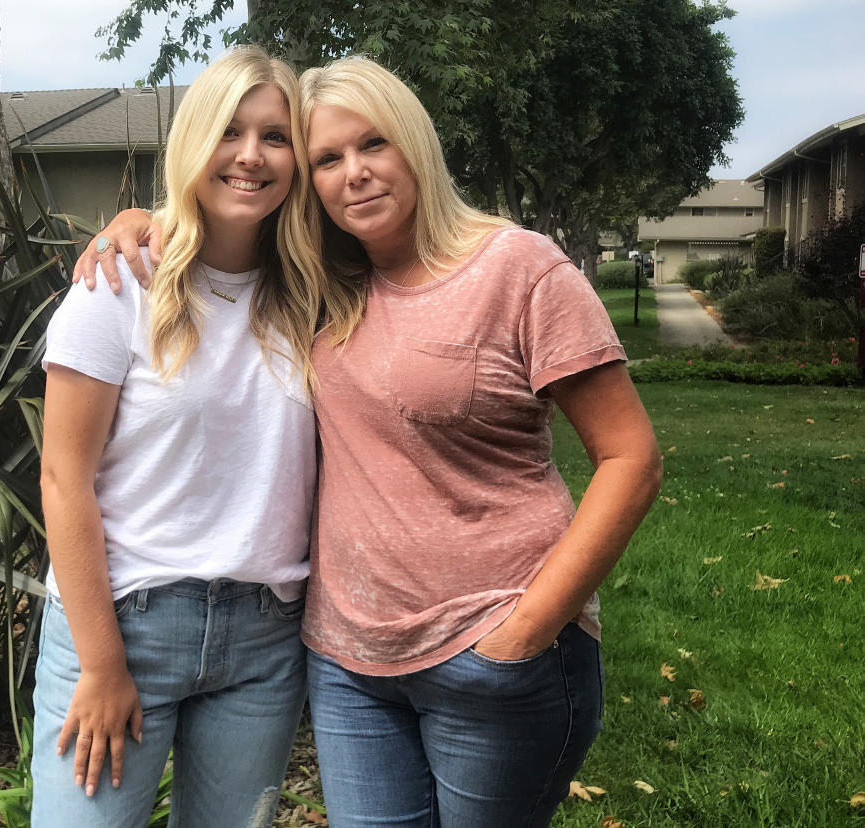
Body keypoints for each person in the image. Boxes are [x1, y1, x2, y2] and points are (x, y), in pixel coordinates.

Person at [78, 56, 662, 828]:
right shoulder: (322, 280)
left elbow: (632, 459)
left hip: (493, 651)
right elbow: (217, 230)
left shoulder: (518, 267)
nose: (354, 173)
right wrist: (141, 224)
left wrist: (525, 631)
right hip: (349, 666)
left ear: (414, 143)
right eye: (326, 158)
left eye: (374, 145)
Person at [32, 46, 327, 828]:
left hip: (263, 641)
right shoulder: (118, 284)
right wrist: (100, 664)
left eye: (275, 135)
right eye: (230, 130)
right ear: (194, 140)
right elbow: (63, 478)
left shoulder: (316, 295)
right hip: (124, 623)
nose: (251, 155)